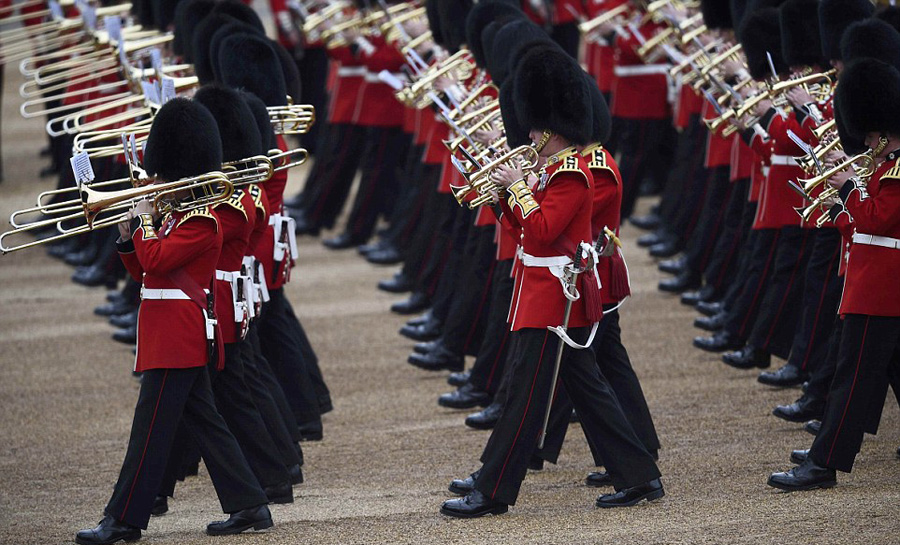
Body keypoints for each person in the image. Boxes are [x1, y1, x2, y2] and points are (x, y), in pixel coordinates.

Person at [439, 44, 662, 518]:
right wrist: (502, 197)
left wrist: (518, 187)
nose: (529, 133)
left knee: (523, 396)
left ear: (552, 130)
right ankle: (640, 475)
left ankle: (494, 488)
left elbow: (543, 232)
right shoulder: (552, 171)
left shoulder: (574, 177)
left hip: (554, 300)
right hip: (542, 293)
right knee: (586, 388)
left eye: (535, 127)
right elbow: (522, 231)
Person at [75, 99, 272, 544]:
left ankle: (123, 519)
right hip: (166, 331)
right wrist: (128, 240)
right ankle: (249, 503)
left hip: (178, 336)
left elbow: (159, 258)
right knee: (206, 421)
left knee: (147, 434)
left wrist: (143, 222)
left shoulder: (203, 222)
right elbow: (146, 272)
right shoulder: (177, 215)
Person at [768, 57, 900, 491]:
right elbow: (866, 223)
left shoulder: (896, 170)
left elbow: (879, 220)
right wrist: (840, 210)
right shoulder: (884, 165)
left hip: (881, 287)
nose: (866, 140)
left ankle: (824, 462)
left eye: (871, 134)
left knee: (852, 378)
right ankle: (826, 451)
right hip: (877, 282)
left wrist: (845, 188)